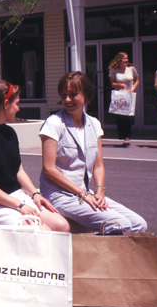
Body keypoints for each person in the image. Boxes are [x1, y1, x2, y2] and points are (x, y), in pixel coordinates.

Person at [39, 71, 147, 234]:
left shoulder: (94, 124)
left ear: (86, 96)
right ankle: (93, 254)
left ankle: (105, 250)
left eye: (73, 94)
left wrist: (100, 192)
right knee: (120, 224)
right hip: (60, 196)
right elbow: (49, 169)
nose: (67, 100)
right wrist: (83, 194)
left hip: (84, 194)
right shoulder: (54, 123)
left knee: (139, 224)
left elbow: (98, 165)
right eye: (63, 95)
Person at [0, 80, 68, 231]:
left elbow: (18, 170)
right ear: (5, 104)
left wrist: (34, 194)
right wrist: (19, 206)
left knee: (62, 226)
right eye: (16, 103)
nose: (18, 109)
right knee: (41, 231)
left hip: (14, 195)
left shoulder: (9, 133)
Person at [107, 52, 139, 147]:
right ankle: (123, 136)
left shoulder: (132, 69)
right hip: (119, 95)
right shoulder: (113, 70)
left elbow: (137, 80)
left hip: (129, 95)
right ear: (119, 60)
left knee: (128, 116)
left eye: (126, 58)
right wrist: (119, 85)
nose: (126, 60)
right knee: (120, 117)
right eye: (124, 59)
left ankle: (127, 138)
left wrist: (133, 88)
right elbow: (112, 83)